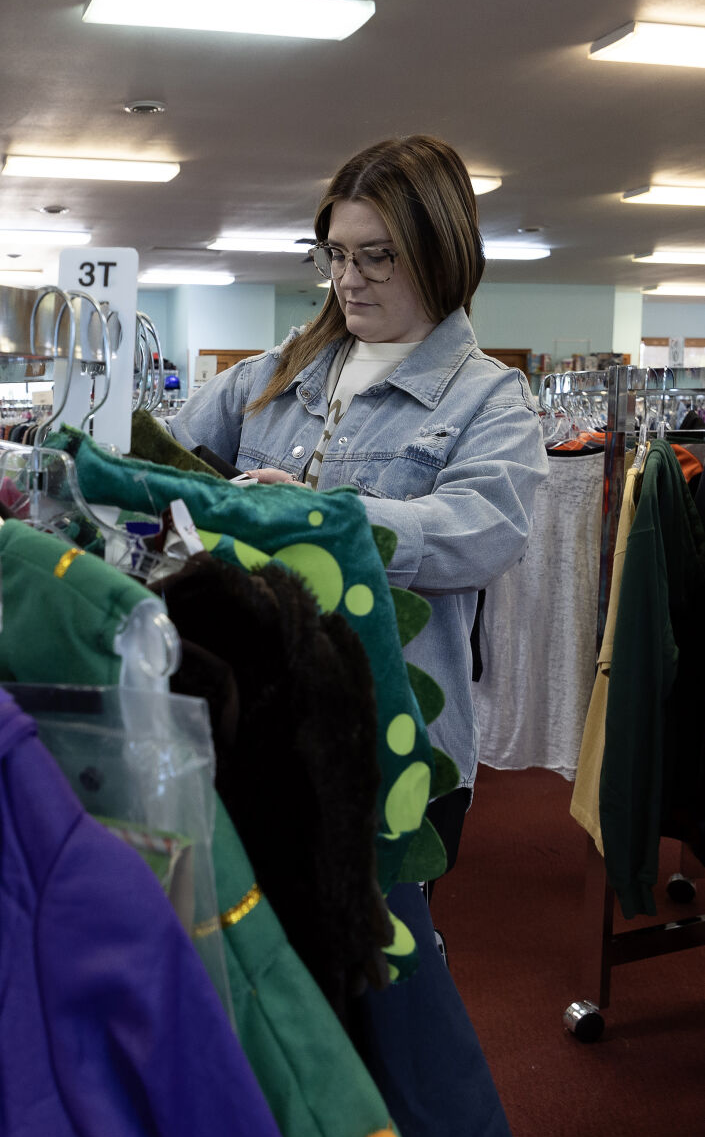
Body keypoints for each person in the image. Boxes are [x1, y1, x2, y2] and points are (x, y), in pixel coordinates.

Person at [170, 133, 549, 870]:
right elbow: (158, 455)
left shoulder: (491, 400)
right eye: (335, 254)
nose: (348, 278)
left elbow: (484, 533)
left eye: (376, 254)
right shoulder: (275, 375)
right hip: (255, 724)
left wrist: (323, 518)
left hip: (393, 744)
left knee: (375, 972)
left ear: (439, 252)